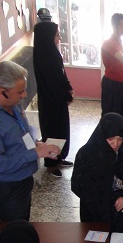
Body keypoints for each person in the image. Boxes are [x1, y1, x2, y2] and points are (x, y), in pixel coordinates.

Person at [0, 61, 61, 221]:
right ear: (3, 91)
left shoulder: (11, 102)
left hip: (22, 176)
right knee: (15, 225)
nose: (24, 95)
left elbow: (18, 133)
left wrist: (35, 145)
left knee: (23, 219)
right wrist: (35, 153)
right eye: (20, 91)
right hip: (6, 186)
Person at [72, 113, 123, 234]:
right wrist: (106, 198)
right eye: (110, 139)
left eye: (120, 139)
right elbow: (77, 186)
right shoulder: (86, 155)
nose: (116, 144)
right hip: (97, 213)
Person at [33, 21, 74, 178]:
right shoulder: (43, 57)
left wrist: (69, 89)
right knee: (53, 132)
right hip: (51, 102)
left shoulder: (53, 52)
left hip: (59, 101)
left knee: (62, 130)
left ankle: (60, 157)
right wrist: (66, 95)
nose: (60, 37)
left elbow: (61, 74)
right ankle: (51, 164)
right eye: (57, 34)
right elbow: (52, 83)